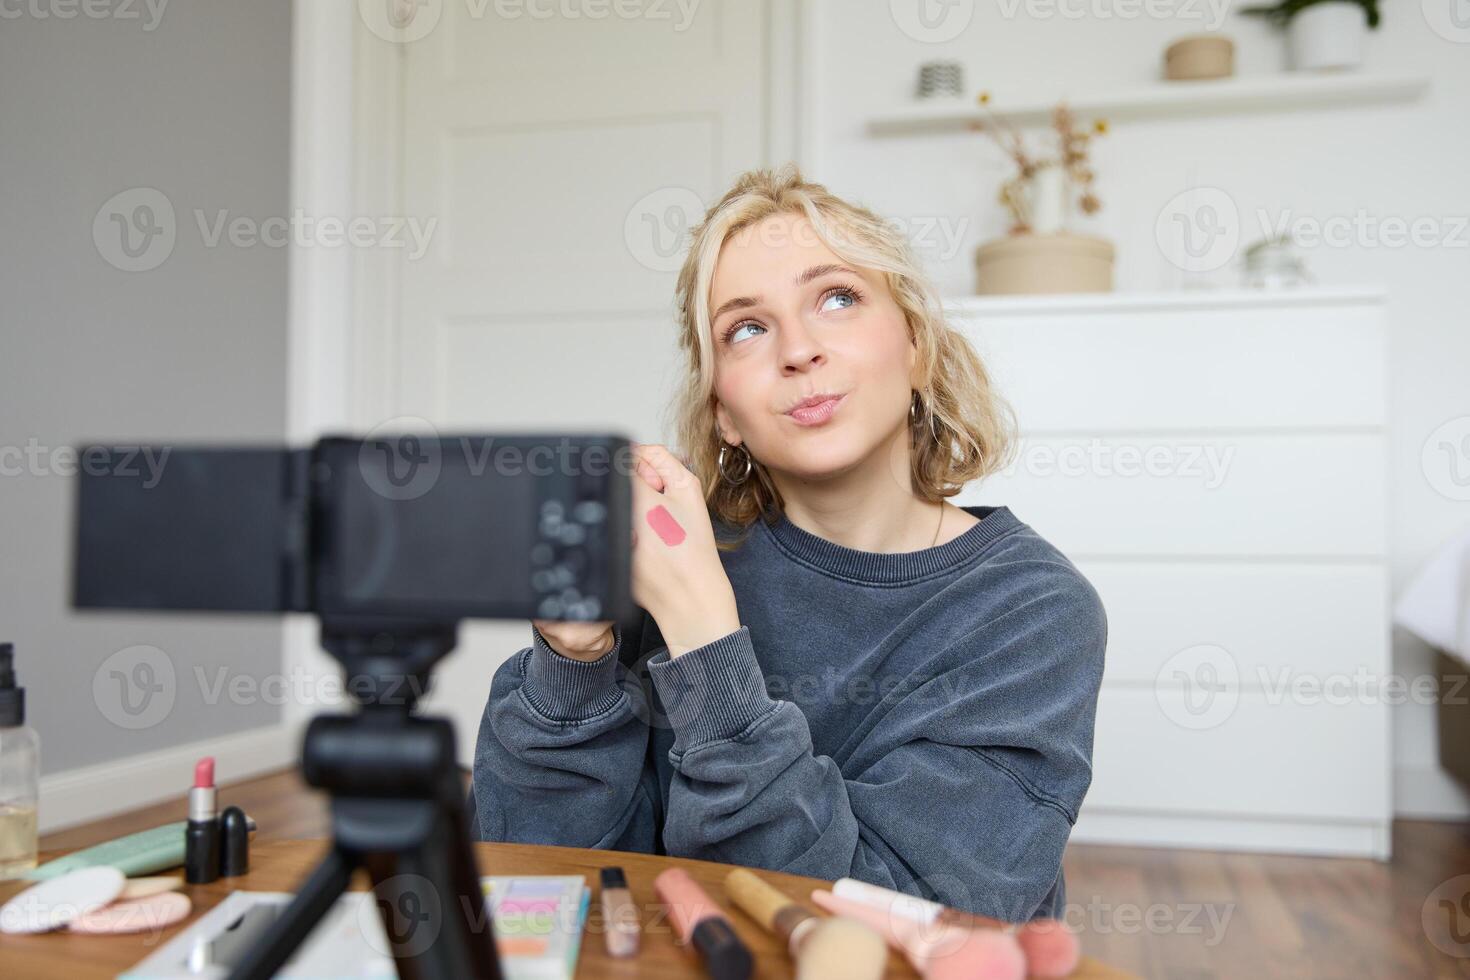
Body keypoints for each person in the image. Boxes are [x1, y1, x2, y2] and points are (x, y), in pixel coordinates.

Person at [470, 163, 1106, 922]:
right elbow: (545, 881)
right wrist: (572, 664)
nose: (798, 350)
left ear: (918, 348)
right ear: (724, 413)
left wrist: (707, 639)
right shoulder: (666, 564)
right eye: (747, 328)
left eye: (836, 297)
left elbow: (890, 928)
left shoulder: (1032, 613)